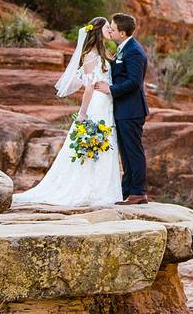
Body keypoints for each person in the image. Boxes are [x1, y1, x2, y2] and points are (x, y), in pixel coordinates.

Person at [14, 17, 122, 207]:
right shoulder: (90, 54)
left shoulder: (104, 51)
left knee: (106, 144)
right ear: (97, 30)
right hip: (96, 105)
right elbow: (89, 87)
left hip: (107, 103)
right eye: (107, 28)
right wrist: (82, 113)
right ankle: (86, 189)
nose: (110, 31)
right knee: (94, 144)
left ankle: (102, 189)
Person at [96, 12, 150, 205]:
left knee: (133, 151)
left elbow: (134, 82)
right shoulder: (123, 48)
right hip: (124, 109)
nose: (110, 29)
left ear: (123, 33)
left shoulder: (134, 50)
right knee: (125, 153)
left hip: (132, 110)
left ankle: (138, 192)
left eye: (113, 27)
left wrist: (109, 89)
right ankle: (127, 191)